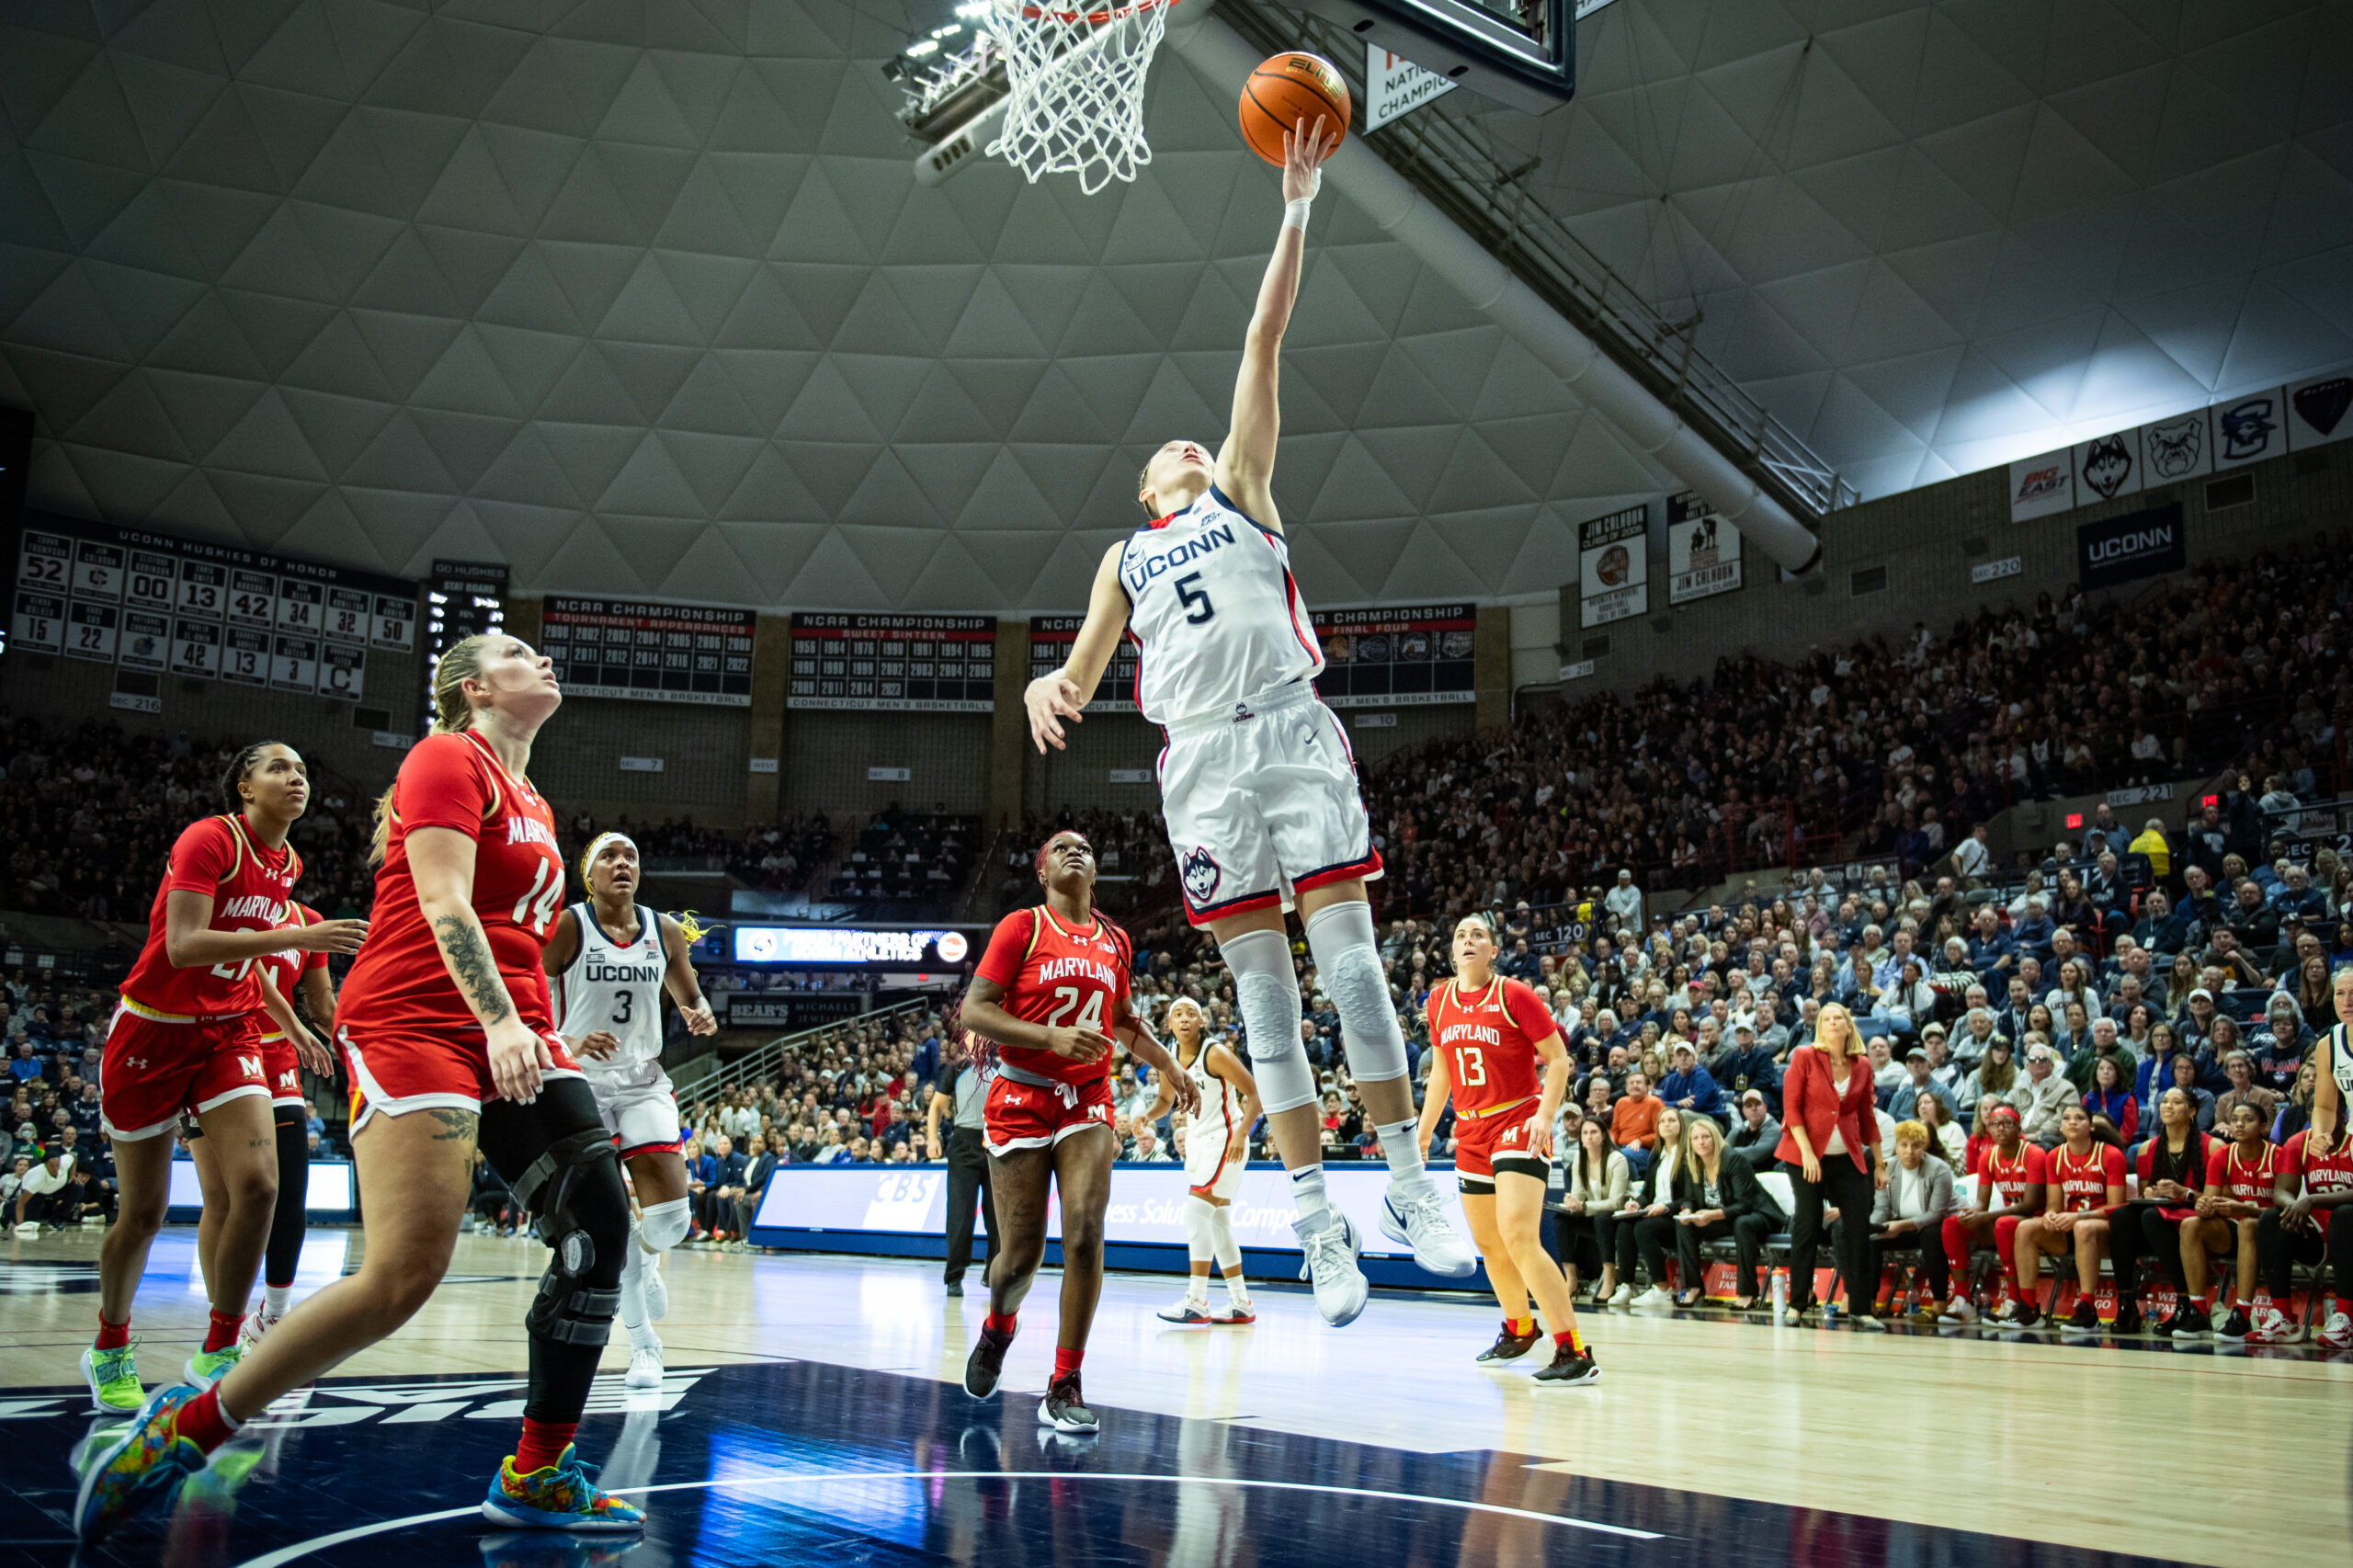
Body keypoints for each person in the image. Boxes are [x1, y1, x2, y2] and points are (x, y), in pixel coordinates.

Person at [1019, 114, 1470, 1326]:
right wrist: (1045, 687)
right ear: (1144, 485)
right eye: (1165, 446)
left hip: (1290, 730)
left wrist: (1295, 210)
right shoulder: (1125, 554)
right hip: (1203, 765)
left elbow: (1264, 337)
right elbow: (1079, 666)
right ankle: (1320, 1223)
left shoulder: (1243, 486)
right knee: (1268, 1002)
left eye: (1191, 435)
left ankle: (1410, 1186)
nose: (1183, 437)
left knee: (1360, 968)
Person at [75, 635, 646, 1540]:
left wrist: (531, 1026)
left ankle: (536, 1471)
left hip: (513, 1029)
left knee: (601, 1226)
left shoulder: (532, 797)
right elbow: (446, 903)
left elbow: (510, 936)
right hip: (414, 1023)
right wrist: (500, 1021)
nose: (540, 660)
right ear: (471, 687)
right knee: (400, 1277)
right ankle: (191, 1423)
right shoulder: (445, 755)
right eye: (515, 652)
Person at [82, 744, 363, 1418]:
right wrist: (297, 939)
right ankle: (110, 1343)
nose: (296, 778)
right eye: (279, 768)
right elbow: (185, 944)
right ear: (244, 785)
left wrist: (289, 1022)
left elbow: (252, 955)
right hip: (153, 1027)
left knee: (261, 1188)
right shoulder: (210, 839)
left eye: (303, 769)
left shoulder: (287, 863)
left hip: (228, 1031)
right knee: (144, 1213)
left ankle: (219, 1348)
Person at [958, 831, 1197, 1434]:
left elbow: (1119, 1021)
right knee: (1018, 1259)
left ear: (1096, 871)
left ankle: (1065, 1381)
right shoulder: (1021, 927)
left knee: (1086, 1229)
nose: (1075, 851)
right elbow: (976, 1011)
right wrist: (1048, 1037)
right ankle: (999, 1328)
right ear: (1041, 871)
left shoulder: (1115, 938)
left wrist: (1167, 1063)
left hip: (1086, 1099)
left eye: (1085, 848)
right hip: (1019, 1093)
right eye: (1060, 847)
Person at [544, 831, 718, 1390]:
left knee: (670, 1224)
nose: (622, 864)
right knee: (612, 1223)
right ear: (587, 873)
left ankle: (647, 1264)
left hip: (643, 1081)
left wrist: (700, 1014)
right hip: (579, 1083)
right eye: (609, 858)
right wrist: (565, 1045)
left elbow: (689, 993)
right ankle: (646, 1344)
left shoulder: (663, 930)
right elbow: (526, 993)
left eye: (631, 857)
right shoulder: (569, 925)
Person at [1415, 915, 1595, 1383]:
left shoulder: (1514, 994)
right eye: (1460, 935)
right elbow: (1442, 1074)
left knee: (1518, 1236)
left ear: (1493, 950)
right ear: (1452, 953)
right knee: (1490, 1245)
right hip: (1471, 1132)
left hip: (1519, 1120)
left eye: (1478, 935)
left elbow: (1559, 1059)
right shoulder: (1438, 1001)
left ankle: (1574, 1350)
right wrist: (1423, 1129)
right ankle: (1519, 1328)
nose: (1468, 940)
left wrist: (1545, 1115)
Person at [188, 898, 341, 1355]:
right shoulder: (228, 908)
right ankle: (224, 1329)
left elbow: (323, 1004)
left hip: (276, 1059)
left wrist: (363, 1044)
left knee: (290, 1192)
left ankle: (274, 1314)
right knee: (221, 1200)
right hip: (218, 1051)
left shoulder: (309, 920)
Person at [1149, 997, 1261, 1325]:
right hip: (1199, 1143)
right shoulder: (1166, 1058)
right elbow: (1164, 1100)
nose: (1184, 1019)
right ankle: (1241, 1302)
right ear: (1169, 1025)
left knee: (1196, 1212)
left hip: (1225, 1139)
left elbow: (1254, 1093)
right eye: (1177, 1015)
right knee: (1218, 1223)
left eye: (1191, 1014)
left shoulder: (1215, 1053)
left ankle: (1197, 1299)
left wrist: (1242, 1133)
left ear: (1202, 1022)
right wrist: (1147, 1116)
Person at [1775, 1001, 1883, 1327]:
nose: (1834, 1022)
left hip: (1847, 1157)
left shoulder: (1861, 1064)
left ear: (1849, 1026)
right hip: (1805, 1156)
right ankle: (1798, 1303)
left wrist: (1879, 1163)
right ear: (1820, 1026)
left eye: (1840, 1018)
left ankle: (1861, 1308)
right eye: (1828, 1018)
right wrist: (1807, 1153)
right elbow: (1791, 1109)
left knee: (1858, 1229)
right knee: (1807, 1225)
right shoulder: (1804, 1056)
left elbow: (1866, 1116)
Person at [1634, 1115, 1783, 1312]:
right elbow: (1689, 1198)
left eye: (1705, 1137)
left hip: (1757, 1215)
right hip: (1723, 1217)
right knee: (1683, 1223)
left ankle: (1748, 1293)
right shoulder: (1693, 1164)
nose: (1701, 1142)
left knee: (1743, 1223)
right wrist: (1688, 1211)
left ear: (1715, 1138)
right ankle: (1693, 1287)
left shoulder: (1733, 1160)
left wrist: (1711, 1216)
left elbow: (1745, 1204)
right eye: (1695, 1138)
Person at [1997, 1105, 2124, 1332]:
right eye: (2067, 1118)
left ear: (2091, 1126)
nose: (2072, 1122)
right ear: (2061, 1126)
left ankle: (2088, 1309)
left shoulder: (2110, 1155)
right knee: (2026, 1228)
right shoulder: (2055, 1156)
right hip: (2069, 1227)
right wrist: (2050, 1216)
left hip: (2102, 1229)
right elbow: (2054, 1206)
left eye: (2079, 1118)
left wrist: (2078, 1216)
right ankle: (2028, 1308)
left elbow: (2116, 1207)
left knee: (2084, 1227)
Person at [2108, 1087, 2212, 1336]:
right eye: (2164, 1101)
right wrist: (2150, 1195)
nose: (2167, 1106)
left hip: (2195, 1219)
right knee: (2122, 1216)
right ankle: (2126, 1303)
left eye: (2176, 1102)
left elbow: (2215, 1199)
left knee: (2151, 1217)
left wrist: (2183, 1193)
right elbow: (2146, 1192)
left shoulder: (2212, 1145)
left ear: (2192, 1111)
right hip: (2159, 1220)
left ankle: (2186, 1303)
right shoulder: (2147, 1148)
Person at [1932, 1104, 2047, 1327]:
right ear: (1988, 1129)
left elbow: (2029, 1206)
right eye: (1995, 1124)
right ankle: (1963, 1300)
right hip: (2005, 1221)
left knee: (2003, 1223)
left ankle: (2014, 1299)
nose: (2000, 1128)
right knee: (1952, 1223)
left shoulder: (2034, 1154)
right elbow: (1981, 1204)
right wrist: (1972, 1212)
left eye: (2007, 1123)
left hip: (2034, 1222)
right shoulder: (1987, 1156)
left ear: (2018, 1127)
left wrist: (1985, 1216)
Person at [2253, 1107, 2351, 1345]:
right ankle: (2283, 1318)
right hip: (2317, 1231)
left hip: (2348, 1226)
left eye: (2331, 1109)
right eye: (2315, 1110)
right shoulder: (2299, 1142)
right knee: (2270, 1220)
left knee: (2345, 1214)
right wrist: (2294, 1205)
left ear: (2344, 1114)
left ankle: (2347, 1319)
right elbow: (2282, 1192)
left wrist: (2311, 1199)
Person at [2184, 1102, 2280, 1342]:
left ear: (2263, 1126)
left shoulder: (2279, 1155)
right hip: (2235, 1232)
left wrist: (2244, 1208)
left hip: (2274, 1231)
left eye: (2248, 1119)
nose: (2239, 1124)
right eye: (2235, 1119)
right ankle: (2197, 1311)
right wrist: (2203, 1206)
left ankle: (2243, 1314)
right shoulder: (2222, 1155)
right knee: (2191, 1224)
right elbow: (2209, 1198)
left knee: (2248, 1224)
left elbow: (2286, 1209)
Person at [925, 1029, 998, 1299]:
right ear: (964, 1041)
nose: (978, 1038)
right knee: (960, 1215)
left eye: (982, 1034)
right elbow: (935, 1107)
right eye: (972, 1035)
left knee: (997, 1219)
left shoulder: (1003, 1070)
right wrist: (932, 1138)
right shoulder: (955, 1070)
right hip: (964, 1143)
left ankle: (993, 1273)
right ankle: (954, 1277)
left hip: (996, 1145)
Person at [1872, 1120, 1958, 1324]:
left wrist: (1901, 1226)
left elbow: (1935, 1214)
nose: (1909, 1151)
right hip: (1903, 1226)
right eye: (1904, 1145)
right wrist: (1870, 1227)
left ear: (1924, 1147)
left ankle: (1938, 1302)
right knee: (1872, 1239)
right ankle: (1869, 1303)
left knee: (1931, 1235)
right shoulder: (1887, 1168)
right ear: (1896, 1146)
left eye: (1916, 1146)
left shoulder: (1940, 1169)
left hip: (1938, 1225)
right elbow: (1882, 1210)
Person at [1554, 1117, 1630, 1305]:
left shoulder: (1617, 1159)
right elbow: (1579, 1193)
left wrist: (1585, 1206)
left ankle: (1610, 1277)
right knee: (1562, 1218)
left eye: (1594, 1132)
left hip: (1615, 1217)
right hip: (1592, 1214)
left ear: (1604, 1135)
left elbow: (1615, 1201)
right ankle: (1571, 1279)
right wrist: (1572, 1201)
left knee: (1602, 1218)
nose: (1589, 1137)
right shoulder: (1580, 1158)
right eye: (1585, 1133)